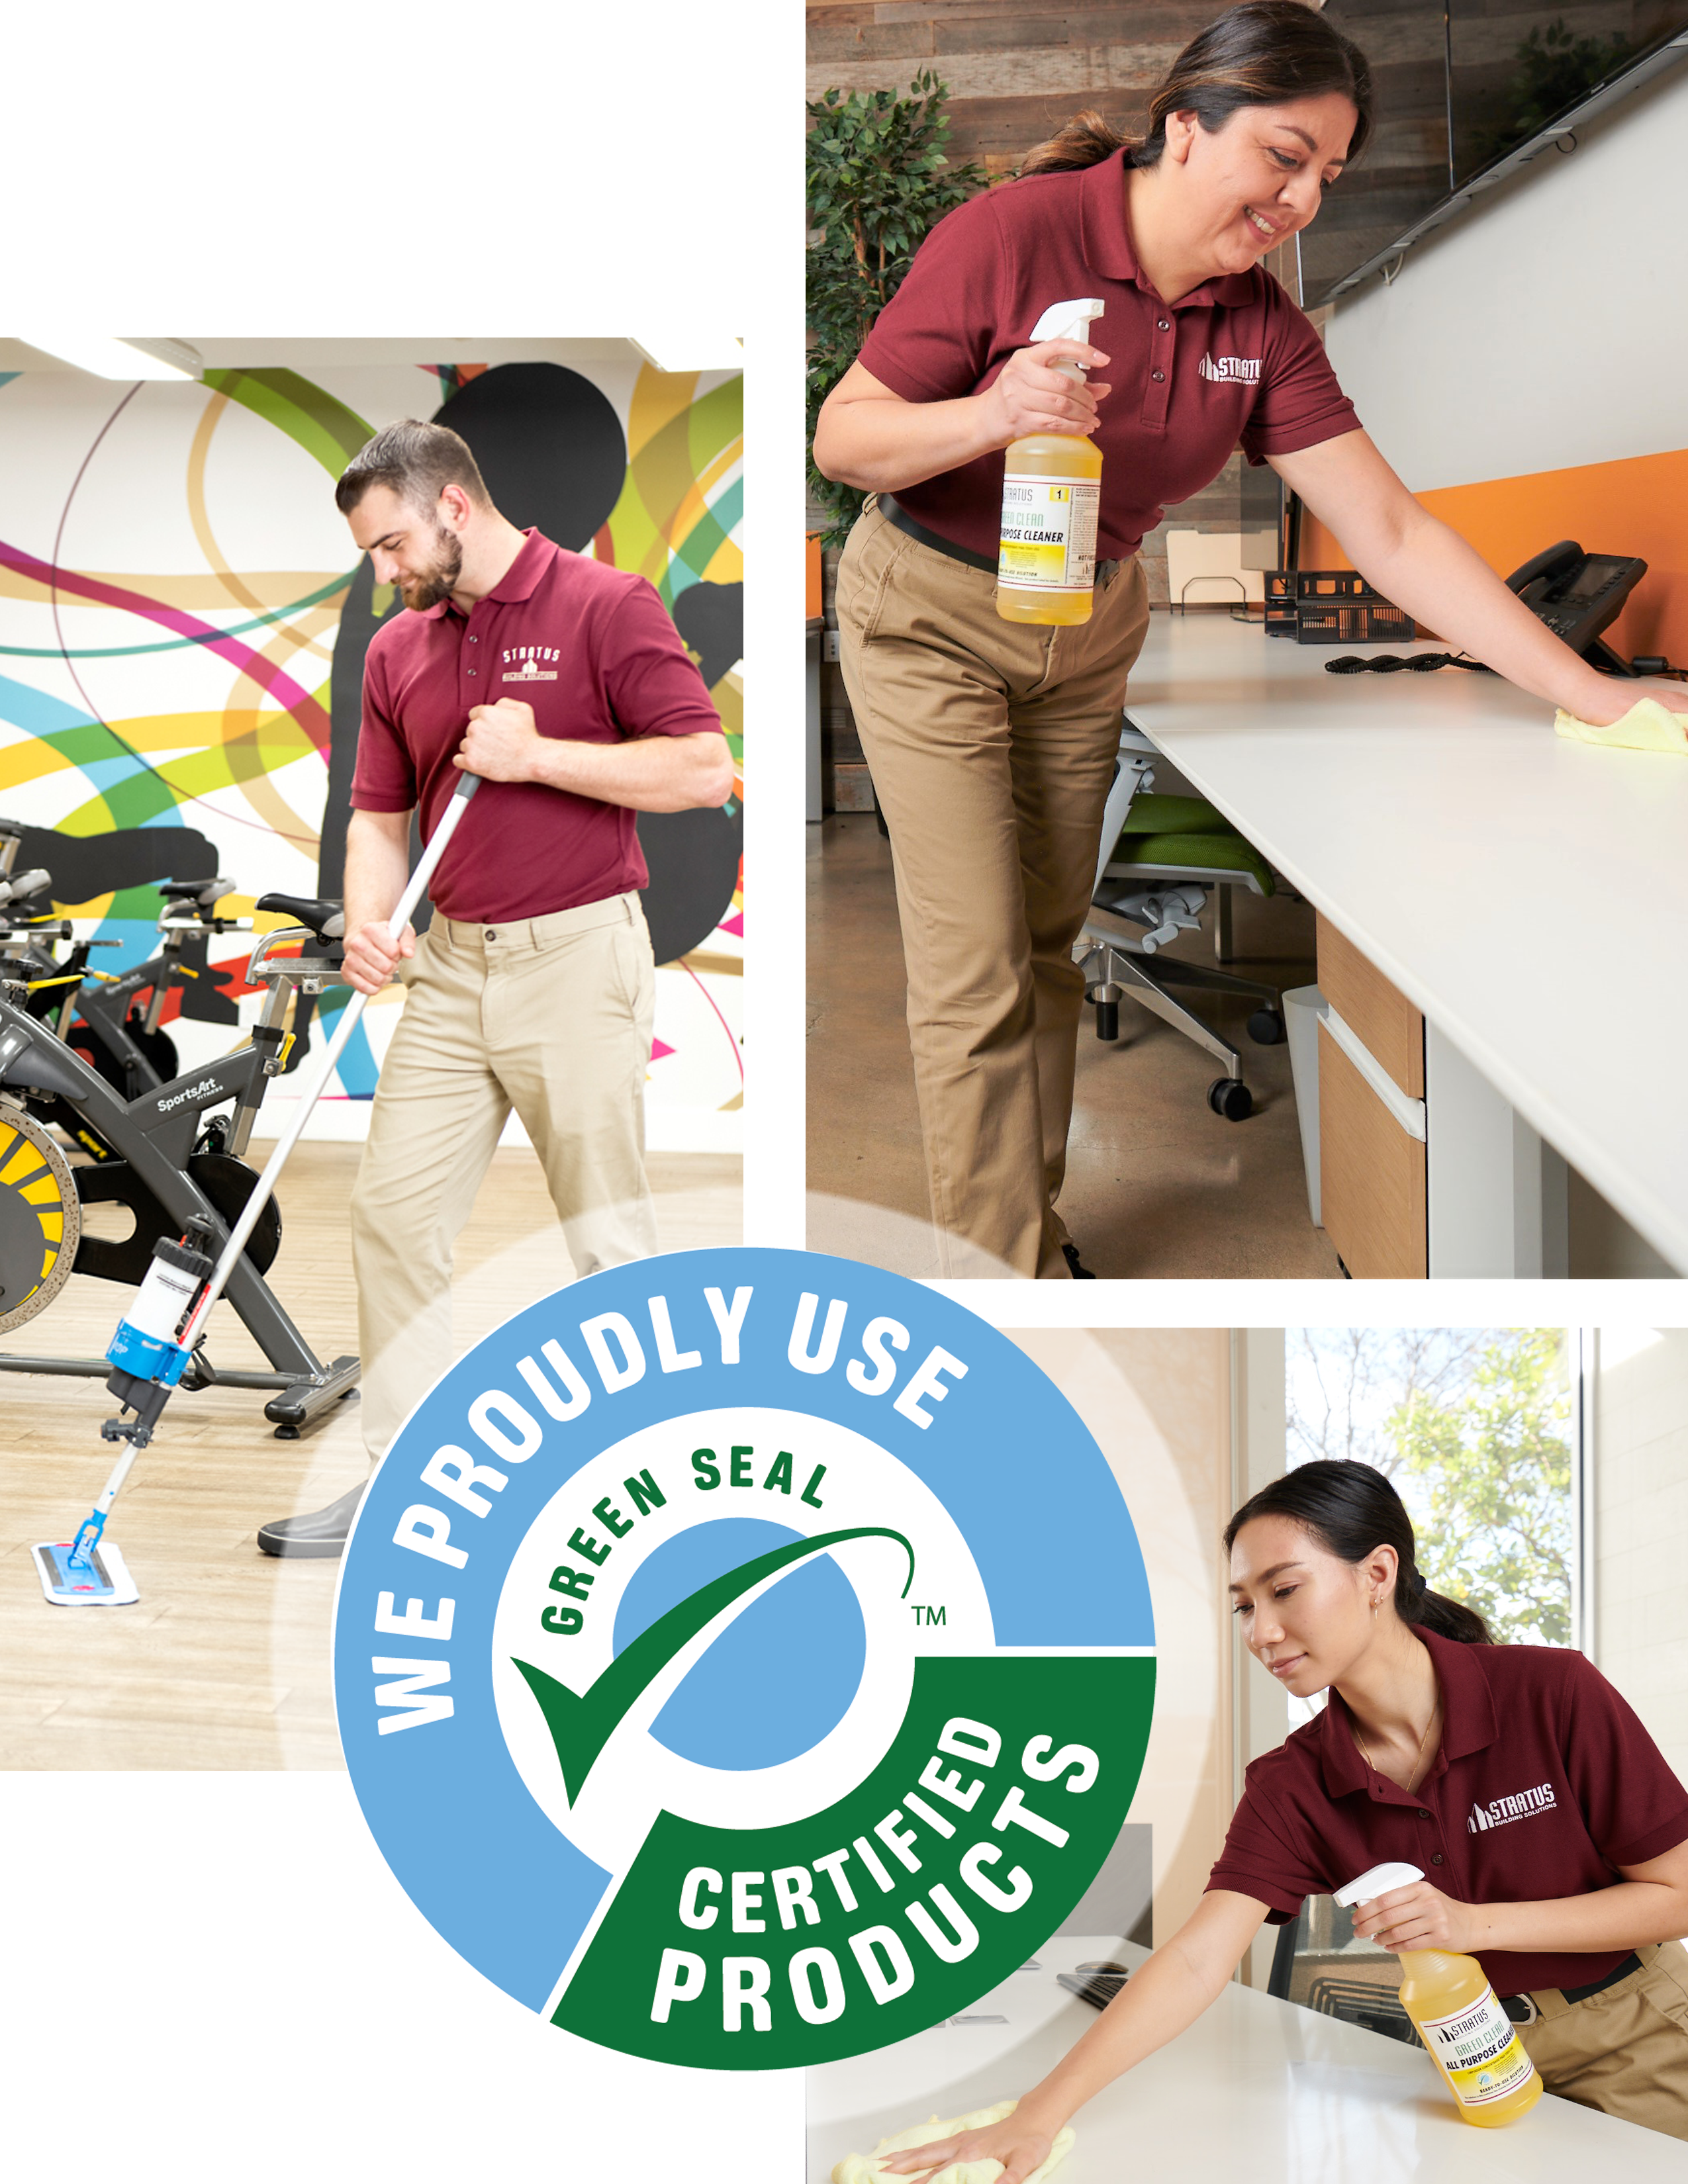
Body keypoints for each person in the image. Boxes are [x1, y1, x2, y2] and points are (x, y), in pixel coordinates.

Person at [811, 0, 1688, 1281]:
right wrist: (995, 411)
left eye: (1325, 176)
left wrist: (1595, 696)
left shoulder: (1261, 328)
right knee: (976, 969)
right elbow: (848, 439)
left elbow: (1388, 528)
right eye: (1284, 156)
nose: (1302, 202)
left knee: (1048, 947)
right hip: (931, 611)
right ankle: (1004, 1286)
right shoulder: (1011, 237)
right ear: (1185, 125)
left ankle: (1024, 1224)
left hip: (1090, 616)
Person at [878, 1460, 1688, 2169]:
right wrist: (1037, 2114)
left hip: (1635, 2028)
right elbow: (1198, 1959)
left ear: (1377, 1575)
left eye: (1285, 1589)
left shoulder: (1551, 1693)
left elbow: (1676, 1892)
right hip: (1463, 2062)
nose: (1262, 1632)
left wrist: (1473, 1926)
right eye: (1242, 1607)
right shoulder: (1291, 1784)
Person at [258, 420, 733, 1557]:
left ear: (454, 510)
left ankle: (666, 1505)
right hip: (453, 973)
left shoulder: (604, 606)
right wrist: (374, 923)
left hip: (579, 961)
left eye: (389, 546)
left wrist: (541, 757)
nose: (382, 571)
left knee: (607, 1240)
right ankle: (404, 1488)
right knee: (392, 1216)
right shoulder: (399, 651)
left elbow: (703, 768)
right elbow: (378, 819)